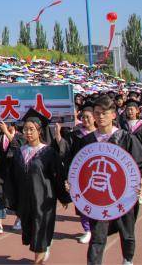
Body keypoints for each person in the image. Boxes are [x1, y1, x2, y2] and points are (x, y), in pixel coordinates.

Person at [72, 95, 142, 265]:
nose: (100, 116)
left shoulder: (125, 138)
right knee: (97, 236)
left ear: (114, 115)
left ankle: (128, 259)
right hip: (98, 198)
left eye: (104, 113)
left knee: (127, 233)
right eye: (97, 113)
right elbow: (77, 168)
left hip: (124, 195)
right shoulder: (87, 141)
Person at [4, 113, 70, 264]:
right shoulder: (20, 151)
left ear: (39, 131)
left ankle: (38, 259)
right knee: (30, 230)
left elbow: (57, 176)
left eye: (31, 129)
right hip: (25, 200)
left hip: (43, 200)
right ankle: (44, 246)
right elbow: (12, 176)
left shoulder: (48, 152)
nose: (28, 132)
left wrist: (63, 197)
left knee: (40, 231)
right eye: (25, 129)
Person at [59, 101, 96, 243]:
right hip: (80, 174)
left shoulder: (102, 135)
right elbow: (66, 153)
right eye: (83, 117)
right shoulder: (75, 135)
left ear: (94, 118)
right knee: (82, 203)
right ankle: (87, 230)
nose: (85, 120)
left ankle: (96, 229)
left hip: (97, 174)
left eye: (88, 117)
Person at [0, 119, 23, 235]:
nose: (5, 125)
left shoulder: (21, 136)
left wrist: (7, 133)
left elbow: (18, 148)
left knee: (17, 196)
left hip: (15, 171)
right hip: (1, 170)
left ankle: (19, 219)